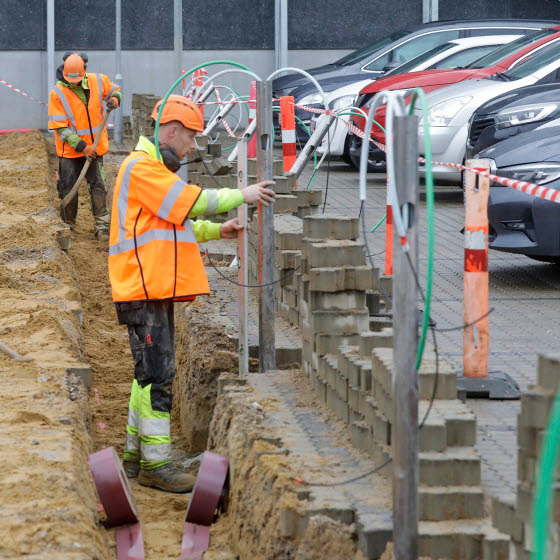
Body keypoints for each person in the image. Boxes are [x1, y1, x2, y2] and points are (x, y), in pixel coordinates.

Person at [108, 95, 275, 493]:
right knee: (158, 376)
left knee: (146, 373)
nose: (193, 147)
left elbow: (175, 224)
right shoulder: (142, 169)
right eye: (191, 138)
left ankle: (135, 456)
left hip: (149, 288)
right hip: (144, 289)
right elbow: (195, 201)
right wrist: (243, 195)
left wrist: (220, 231)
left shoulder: (149, 171)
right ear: (171, 131)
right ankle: (156, 465)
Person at [48, 52, 122, 239]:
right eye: (70, 79)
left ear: (84, 72)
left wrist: (114, 99)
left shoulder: (98, 81)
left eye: (77, 79)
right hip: (70, 151)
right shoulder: (57, 93)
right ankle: (68, 226)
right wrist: (82, 146)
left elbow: (115, 90)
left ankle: (102, 226)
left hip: (96, 147)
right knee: (68, 185)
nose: (73, 83)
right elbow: (61, 129)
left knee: (98, 184)